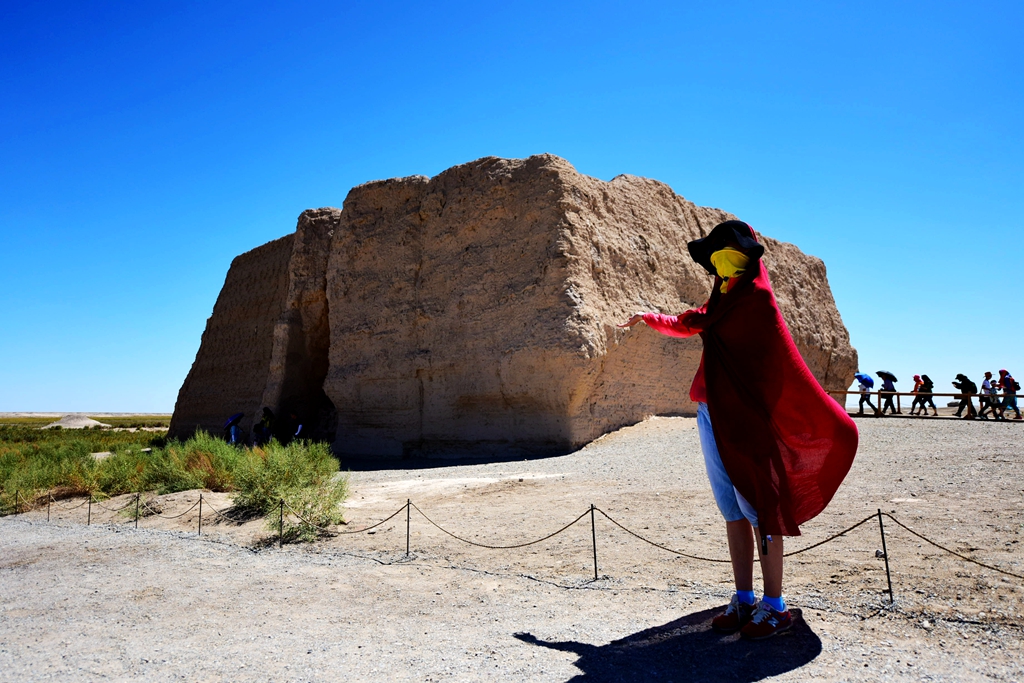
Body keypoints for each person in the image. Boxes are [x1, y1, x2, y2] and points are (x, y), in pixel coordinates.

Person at [618, 220, 858, 641]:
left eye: (727, 250)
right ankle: (744, 597)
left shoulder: (758, 301)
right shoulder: (721, 299)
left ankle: (775, 605)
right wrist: (650, 317)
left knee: (758, 508)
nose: (720, 259)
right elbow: (691, 321)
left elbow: (772, 369)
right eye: (716, 253)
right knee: (731, 508)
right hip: (711, 411)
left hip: (745, 417)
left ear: (747, 253)